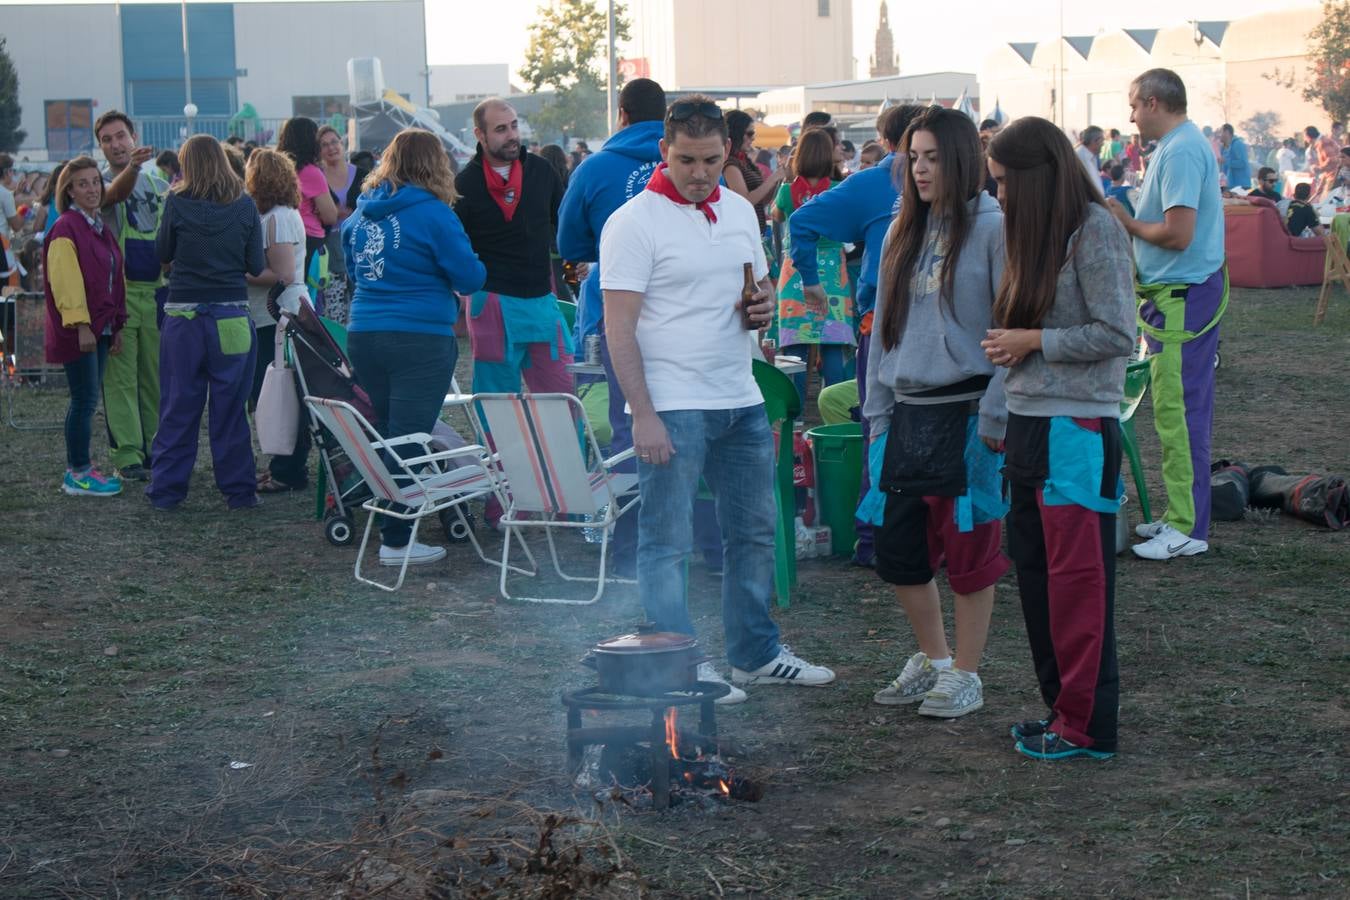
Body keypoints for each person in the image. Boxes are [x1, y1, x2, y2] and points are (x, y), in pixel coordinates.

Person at [600, 95, 836, 705]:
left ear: (727, 153)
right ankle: (676, 663)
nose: (699, 173)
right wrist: (643, 413)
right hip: (672, 404)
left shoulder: (737, 211)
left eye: (710, 160)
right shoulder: (632, 223)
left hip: (740, 394)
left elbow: (752, 289)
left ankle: (754, 654)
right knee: (666, 539)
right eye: (686, 161)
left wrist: (758, 306)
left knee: (754, 532)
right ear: (664, 151)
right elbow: (618, 328)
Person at [982, 116, 1137, 761]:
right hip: (1029, 423)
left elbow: (1118, 334)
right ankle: (1060, 712)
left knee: (1077, 582)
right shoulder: (1035, 233)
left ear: (1035, 179)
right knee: (1039, 577)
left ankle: (1086, 726)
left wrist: (1034, 341)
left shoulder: (1095, 229)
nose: (999, 197)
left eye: (1005, 184)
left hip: (1075, 428)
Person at [864, 106, 1008, 719]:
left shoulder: (995, 228)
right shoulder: (903, 227)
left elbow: (1010, 327)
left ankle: (967, 674)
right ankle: (935, 660)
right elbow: (883, 331)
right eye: (912, 157)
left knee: (971, 556)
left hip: (969, 413)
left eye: (931, 157)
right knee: (900, 552)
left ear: (961, 160)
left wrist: (996, 414)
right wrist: (878, 412)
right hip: (904, 414)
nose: (919, 169)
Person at [558, 79, 720, 579]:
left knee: (631, 435)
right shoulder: (704, 169)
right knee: (704, 427)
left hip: (621, 317)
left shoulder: (595, 168)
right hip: (693, 319)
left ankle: (630, 556)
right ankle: (711, 549)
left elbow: (569, 241)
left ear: (622, 114)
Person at [342, 128, 488, 566]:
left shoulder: (361, 214)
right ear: (436, 165)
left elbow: (353, 269)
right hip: (420, 338)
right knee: (408, 438)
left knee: (391, 431)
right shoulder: (435, 214)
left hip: (365, 333)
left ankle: (393, 529)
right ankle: (395, 540)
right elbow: (470, 278)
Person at [791, 104, 925, 568]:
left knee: (921, 430)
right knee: (881, 428)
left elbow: (803, 223)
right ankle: (876, 538)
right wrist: (809, 280)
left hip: (932, 327)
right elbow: (802, 222)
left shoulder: (956, 184)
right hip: (886, 325)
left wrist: (812, 280)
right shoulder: (875, 183)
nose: (922, 165)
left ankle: (914, 536)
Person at [1107, 68, 1226, 560]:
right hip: (1174, 295)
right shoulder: (1179, 146)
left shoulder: (1179, 150)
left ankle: (1188, 527)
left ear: (1154, 103)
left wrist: (1127, 222)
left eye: (1134, 105)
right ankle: (1181, 513)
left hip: (1182, 297)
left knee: (1181, 413)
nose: (1130, 115)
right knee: (1174, 412)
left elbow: (1178, 234)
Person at [149, 135, 264, 511]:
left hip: (183, 318)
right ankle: (239, 492)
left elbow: (162, 254)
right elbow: (256, 266)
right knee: (231, 408)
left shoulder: (176, 204)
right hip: (231, 316)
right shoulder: (245, 206)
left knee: (178, 405)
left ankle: (167, 491)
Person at [455, 98, 572, 406]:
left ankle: (561, 456)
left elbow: (563, 224)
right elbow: (455, 245)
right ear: (480, 135)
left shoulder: (541, 171)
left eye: (514, 126)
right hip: (492, 302)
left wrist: (576, 263)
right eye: (501, 129)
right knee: (497, 405)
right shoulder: (465, 183)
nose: (511, 135)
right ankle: (499, 457)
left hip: (540, 301)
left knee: (561, 396)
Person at [258, 117, 339, 494]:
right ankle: (288, 465)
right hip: (299, 290)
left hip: (287, 302)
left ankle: (289, 468)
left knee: (289, 385)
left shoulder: (278, 217)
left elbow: (283, 274)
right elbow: (329, 216)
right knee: (293, 384)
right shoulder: (291, 207)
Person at [43, 157, 127, 497]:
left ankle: (82, 467)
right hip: (82, 328)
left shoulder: (98, 226)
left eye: (95, 181)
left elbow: (112, 277)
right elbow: (66, 282)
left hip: (102, 326)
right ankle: (77, 473)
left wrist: (117, 323)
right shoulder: (66, 227)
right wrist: (80, 325)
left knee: (88, 399)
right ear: (69, 190)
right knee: (84, 400)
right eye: (83, 184)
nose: (92, 189)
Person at [94, 112, 166, 483]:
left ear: (133, 135)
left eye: (120, 136)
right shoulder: (98, 185)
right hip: (117, 296)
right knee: (119, 378)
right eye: (106, 139)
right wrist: (133, 169)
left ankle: (156, 448)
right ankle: (127, 454)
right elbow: (114, 195)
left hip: (155, 292)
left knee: (153, 376)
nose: (115, 144)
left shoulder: (157, 182)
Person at [772, 128, 853, 401]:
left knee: (796, 349)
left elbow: (777, 214)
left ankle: (792, 417)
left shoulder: (786, 192)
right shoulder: (839, 190)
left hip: (795, 272)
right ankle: (835, 410)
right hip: (832, 274)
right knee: (832, 343)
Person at [243, 148, 306, 406]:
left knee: (277, 395)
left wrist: (239, 272)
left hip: (277, 317)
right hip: (275, 316)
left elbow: (283, 275)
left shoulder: (277, 218)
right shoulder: (278, 215)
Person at [318, 124, 359, 325]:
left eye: (334, 142)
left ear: (342, 144)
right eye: (324, 145)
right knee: (335, 312)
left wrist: (335, 212)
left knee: (360, 307)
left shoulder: (362, 174)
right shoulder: (316, 177)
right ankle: (339, 354)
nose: (331, 148)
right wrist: (337, 214)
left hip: (358, 245)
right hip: (328, 249)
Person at [722, 110, 786, 238]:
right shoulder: (730, 164)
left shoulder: (745, 161)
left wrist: (778, 180)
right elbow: (746, 200)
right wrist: (773, 178)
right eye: (750, 133)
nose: (753, 138)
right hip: (742, 233)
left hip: (756, 230)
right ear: (737, 133)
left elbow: (761, 201)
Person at [1304, 126, 1340, 200]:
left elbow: (1332, 159)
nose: (1305, 140)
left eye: (1304, 137)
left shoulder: (1323, 142)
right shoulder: (1323, 141)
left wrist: (1318, 168)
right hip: (1333, 176)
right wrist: (1321, 186)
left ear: (1308, 136)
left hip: (1334, 177)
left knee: (1327, 203)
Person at [1218, 124, 1251, 190]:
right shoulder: (1222, 148)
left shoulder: (1238, 144)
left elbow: (1243, 163)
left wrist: (1226, 161)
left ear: (1227, 132)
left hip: (1241, 185)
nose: (1219, 135)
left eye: (1220, 132)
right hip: (1229, 185)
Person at [1076, 127, 1106, 196]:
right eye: (1102, 140)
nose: (1103, 144)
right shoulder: (1080, 158)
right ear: (1095, 141)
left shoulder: (1091, 157)